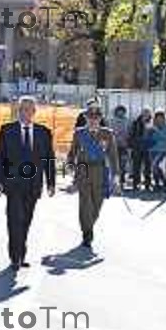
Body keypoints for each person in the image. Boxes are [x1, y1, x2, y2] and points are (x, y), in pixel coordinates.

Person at [0, 96, 55, 271]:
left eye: (28, 109)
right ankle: (15, 257)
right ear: (17, 111)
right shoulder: (7, 130)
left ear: (34, 112)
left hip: (33, 185)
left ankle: (21, 253)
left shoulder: (44, 132)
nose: (25, 113)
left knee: (26, 221)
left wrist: (51, 183)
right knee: (14, 220)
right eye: (22, 109)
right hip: (12, 184)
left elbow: (49, 159)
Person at [68, 103, 119, 249]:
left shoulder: (107, 134)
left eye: (96, 117)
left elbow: (113, 156)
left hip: (100, 172)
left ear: (100, 118)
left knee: (97, 205)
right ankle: (87, 233)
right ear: (85, 118)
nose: (93, 120)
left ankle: (89, 226)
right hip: (83, 170)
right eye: (90, 117)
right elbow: (72, 153)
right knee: (85, 204)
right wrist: (70, 166)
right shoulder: (79, 133)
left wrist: (115, 177)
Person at [129, 107, 153, 191]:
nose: (146, 114)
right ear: (142, 113)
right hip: (137, 147)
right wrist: (132, 145)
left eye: (148, 112)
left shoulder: (152, 122)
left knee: (148, 167)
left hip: (148, 148)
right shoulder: (136, 123)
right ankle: (136, 184)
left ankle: (148, 184)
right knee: (136, 167)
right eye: (145, 112)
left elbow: (153, 135)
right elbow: (131, 134)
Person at [109, 105, 130, 188]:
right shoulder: (112, 121)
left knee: (123, 164)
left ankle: (122, 180)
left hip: (124, 146)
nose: (120, 112)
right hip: (114, 145)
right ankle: (114, 180)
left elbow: (129, 132)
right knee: (114, 163)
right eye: (119, 111)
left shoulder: (127, 121)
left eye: (122, 111)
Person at [149, 109, 166, 190]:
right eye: (157, 118)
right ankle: (158, 183)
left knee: (155, 165)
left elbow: (165, 138)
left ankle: (164, 182)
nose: (159, 119)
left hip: (162, 150)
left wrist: (156, 132)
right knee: (154, 167)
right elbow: (151, 138)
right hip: (152, 149)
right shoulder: (152, 127)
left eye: (161, 118)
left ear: (164, 118)